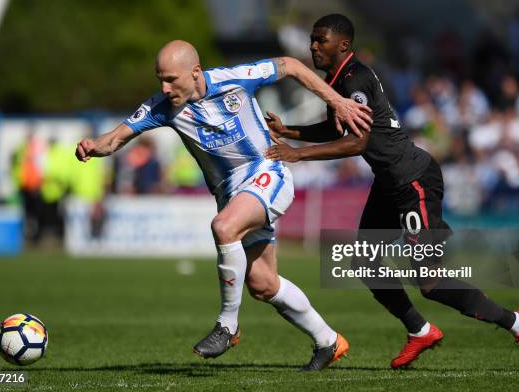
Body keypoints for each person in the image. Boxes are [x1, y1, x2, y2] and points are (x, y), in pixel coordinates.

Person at [264, 14, 519, 369]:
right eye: (312, 39)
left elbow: (358, 140)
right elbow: (339, 129)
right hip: (390, 182)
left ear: (344, 45)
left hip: (414, 181)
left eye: (321, 40)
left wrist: (297, 154)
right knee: (364, 261)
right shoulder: (338, 80)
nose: (313, 46)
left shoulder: (355, 79)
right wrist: (290, 130)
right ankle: (419, 330)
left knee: (429, 281)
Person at [75, 40, 373, 370]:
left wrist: (338, 102)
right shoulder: (162, 106)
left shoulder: (236, 78)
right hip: (232, 196)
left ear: (196, 72)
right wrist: (94, 146)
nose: (164, 87)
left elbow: (290, 64)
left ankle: (227, 326)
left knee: (223, 227)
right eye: (160, 78)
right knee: (263, 284)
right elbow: (115, 138)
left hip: (267, 173)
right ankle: (328, 341)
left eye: (172, 79)